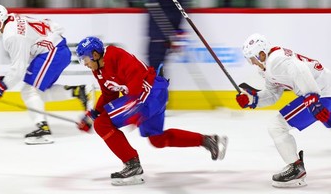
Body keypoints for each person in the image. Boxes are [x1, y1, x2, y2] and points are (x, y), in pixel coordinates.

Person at [75, 36, 228, 186]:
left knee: (102, 124)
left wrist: (134, 108)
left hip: (148, 94)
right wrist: (92, 114)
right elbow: (109, 94)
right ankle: (208, 141)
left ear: (95, 55)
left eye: (85, 59)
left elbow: (135, 77)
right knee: (157, 139)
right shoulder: (98, 70)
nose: (85, 64)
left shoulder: (116, 55)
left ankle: (132, 164)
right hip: (152, 96)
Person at [0, 4, 90, 145]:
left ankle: (43, 131)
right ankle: (79, 91)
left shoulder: (11, 35)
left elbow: (18, 69)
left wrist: (3, 85)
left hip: (53, 53)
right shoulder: (12, 18)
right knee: (38, 93)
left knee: (28, 91)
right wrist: (4, 81)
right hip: (57, 50)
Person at [236, 33, 331, 188]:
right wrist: (252, 99)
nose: (252, 63)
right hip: (325, 90)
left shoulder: (276, 60)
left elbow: (299, 69)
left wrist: (312, 97)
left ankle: (296, 169)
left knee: (276, 126)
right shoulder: (270, 64)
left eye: (253, 58)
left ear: (261, 53)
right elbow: (273, 94)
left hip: (322, 93)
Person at [133, 0, 186, 74]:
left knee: (157, 66)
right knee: (154, 66)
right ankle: (158, 86)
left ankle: (159, 86)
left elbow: (180, 9)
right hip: (156, 34)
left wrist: (178, 31)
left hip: (168, 34)